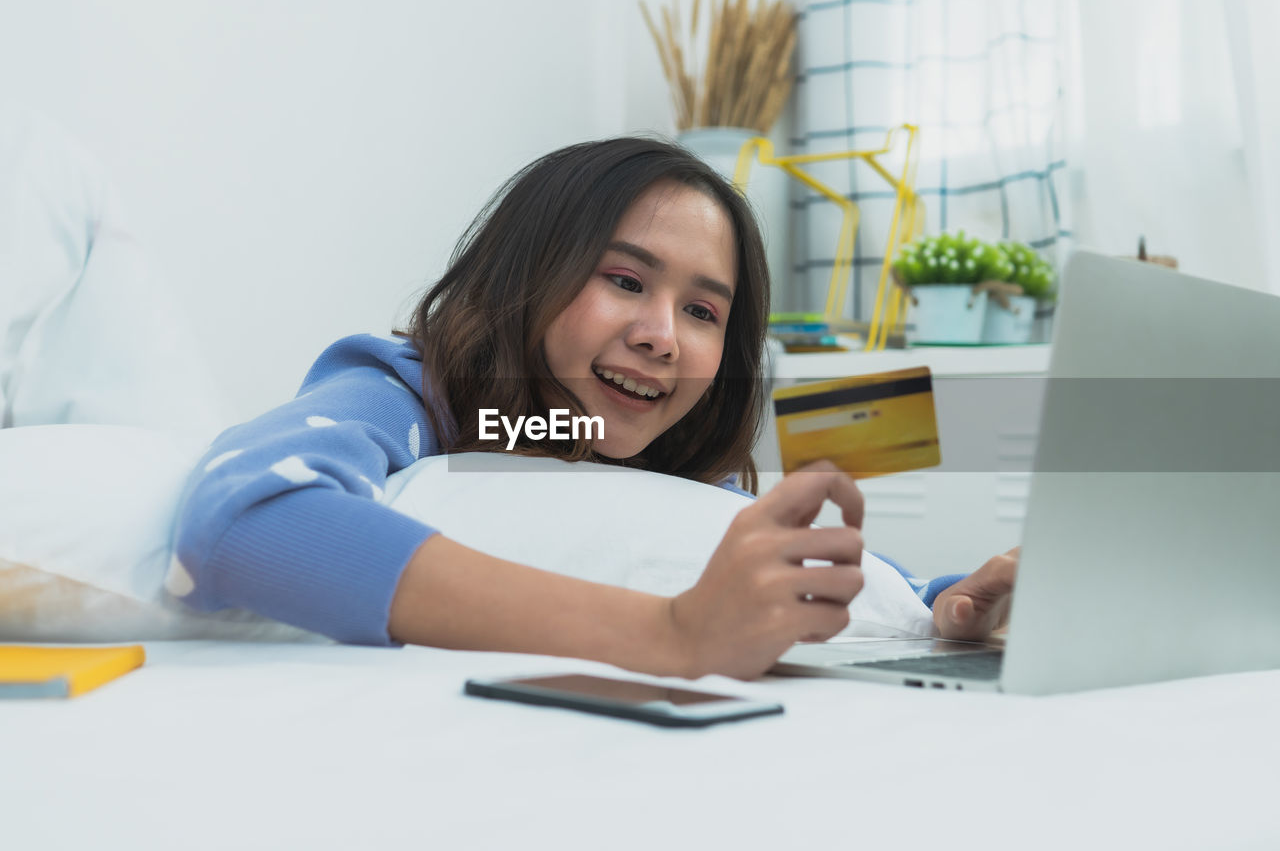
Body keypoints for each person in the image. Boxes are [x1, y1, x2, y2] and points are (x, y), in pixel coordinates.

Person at [172, 137, 1016, 680]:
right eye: (624, 281)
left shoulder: (658, 463)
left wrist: (951, 602)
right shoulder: (409, 391)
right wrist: (670, 633)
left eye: (703, 311)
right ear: (524, 275)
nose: (663, 337)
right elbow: (248, 516)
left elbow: (879, 580)